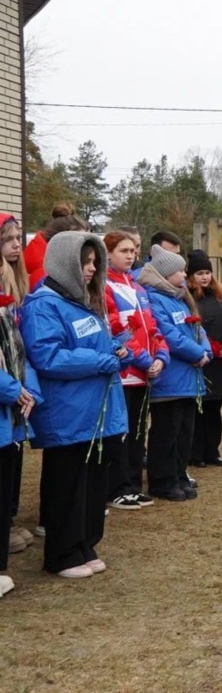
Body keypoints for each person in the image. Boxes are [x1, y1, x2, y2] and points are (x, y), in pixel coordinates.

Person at [21, 231, 128, 578]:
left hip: (94, 412)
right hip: (68, 414)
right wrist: (101, 360)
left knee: (93, 484)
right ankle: (62, 554)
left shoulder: (83, 302)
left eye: (95, 263)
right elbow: (49, 356)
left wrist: (117, 352)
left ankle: (85, 543)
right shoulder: (44, 305)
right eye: (85, 263)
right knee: (67, 485)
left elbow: (95, 348)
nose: (90, 269)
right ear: (65, 263)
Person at [137, 246, 212, 501]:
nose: (184, 274)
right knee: (166, 433)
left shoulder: (180, 297)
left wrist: (206, 350)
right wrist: (197, 354)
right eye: (180, 270)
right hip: (170, 379)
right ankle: (162, 480)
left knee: (183, 433)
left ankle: (179, 475)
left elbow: (197, 328)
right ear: (167, 273)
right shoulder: (154, 298)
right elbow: (169, 335)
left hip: (189, 378)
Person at [104, 230, 168, 511]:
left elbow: (153, 328)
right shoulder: (106, 286)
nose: (130, 256)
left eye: (133, 251)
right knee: (123, 432)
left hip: (144, 375)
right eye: (123, 251)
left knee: (138, 432)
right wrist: (143, 360)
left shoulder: (137, 286)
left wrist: (162, 357)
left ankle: (131, 484)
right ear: (108, 253)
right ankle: (118, 487)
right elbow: (117, 331)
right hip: (125, 374)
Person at [0, 212, 40, 593]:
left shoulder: (17, 292)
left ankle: (8, 525)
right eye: (8, 239)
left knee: (11, 469)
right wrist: (13, 389)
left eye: (18, 238)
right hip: (6, 395)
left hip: (13, 400)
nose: (16, 245)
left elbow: (18, 349)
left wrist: (27, 390)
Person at [187, 249, 222, 468]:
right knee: (198, 410)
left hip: (220, 363)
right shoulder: (189, 298)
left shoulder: (220, 297)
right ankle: (195, 452)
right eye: (200, 273)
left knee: (214, 410)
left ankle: (212, 450)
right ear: (191, 276)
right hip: (201, 363)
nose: (205, 277)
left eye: (207, 272)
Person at [23, 203, 90, 290]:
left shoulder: (56, 270)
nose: (86, 248)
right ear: (58, 243)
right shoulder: (45, 279)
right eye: (79, 242)